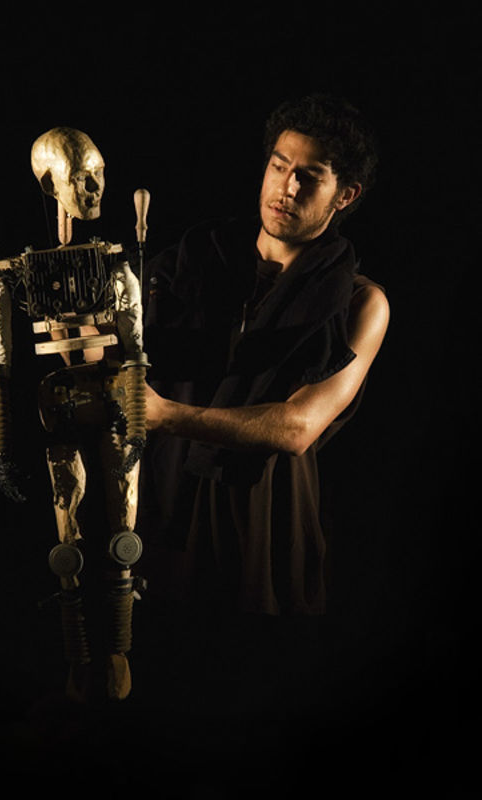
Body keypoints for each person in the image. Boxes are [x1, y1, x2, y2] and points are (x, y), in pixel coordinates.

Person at [136, 94, 389, 654]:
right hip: (165, 507)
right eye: (279, 166)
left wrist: (164, 415)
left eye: (309, 177)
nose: (287, 188)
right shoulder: (189, 264)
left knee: (255, 677)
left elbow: (298, 427)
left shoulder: (360, 302)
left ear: (345, 195)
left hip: (267, 525)